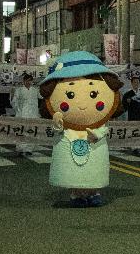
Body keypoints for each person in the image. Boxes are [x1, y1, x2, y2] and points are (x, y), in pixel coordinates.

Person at [38, 52, 124, 207]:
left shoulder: (100, 122)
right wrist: (58, 124)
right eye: (70, 94)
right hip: (70, 136)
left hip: (94, 141)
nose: (82, 104)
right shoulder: (62, 119)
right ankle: (76, 194)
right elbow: (58, 131)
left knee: (93, 171)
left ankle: (94, 193)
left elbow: (104, 129)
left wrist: (97, 134)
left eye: (93, 94)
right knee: (73, 171)